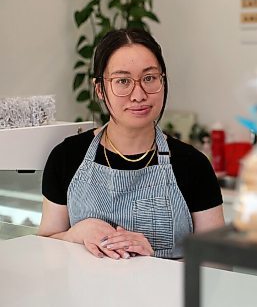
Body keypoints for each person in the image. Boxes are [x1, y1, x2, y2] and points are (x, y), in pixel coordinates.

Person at [38, 28, 225, 259]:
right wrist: (75, 234)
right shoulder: (66, 156)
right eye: (123, 81)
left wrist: (153, 260)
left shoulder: (194, 165)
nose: (138, 95)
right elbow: (45, 248)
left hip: (166, 296)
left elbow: (219, 266)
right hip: (85, 296)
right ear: (99, 89)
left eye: (149, 78)